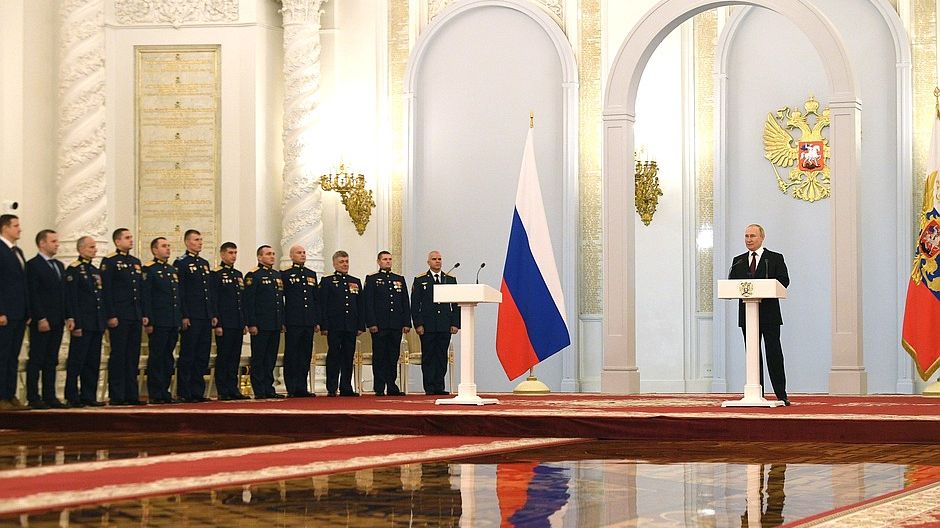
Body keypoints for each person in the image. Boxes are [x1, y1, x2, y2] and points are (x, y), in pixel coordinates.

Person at [728, 223, 791, 406]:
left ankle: (781, 394)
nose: (749, 240)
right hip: (748, 315)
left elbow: (784, 281)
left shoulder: (775, 258)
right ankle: (757, 394)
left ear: (762, 237)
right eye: (746, 236)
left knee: (774, 353)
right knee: (753, 355)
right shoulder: (738, 261)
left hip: (770, 315)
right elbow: (732, 284)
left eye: (753, 236)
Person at [100, 228, 145, 405]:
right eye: (127, 238)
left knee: (132, 356)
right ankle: (117, 395)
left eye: (131, 237)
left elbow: (139, 290)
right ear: (117, 241)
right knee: (119, 355)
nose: (131, 240)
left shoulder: (135, 262)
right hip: (119, 315)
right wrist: (111, 314)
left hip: (134, 315)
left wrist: (142, 313)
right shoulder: (110, 261)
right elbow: (107, 291)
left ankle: (131, 394)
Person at [63, 236, 107, 407]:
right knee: (77, 361)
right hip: (82, 322)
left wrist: (102, 321)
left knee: (92, 361)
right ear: (81, 249)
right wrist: (74, 320)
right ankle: (72, 396)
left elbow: (99, 298)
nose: (94, 250)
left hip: (96, 322)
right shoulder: (74, 270)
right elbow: (71, 298)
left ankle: (89, 395)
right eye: (91, 247)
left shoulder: (95, 270)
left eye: (94, 247)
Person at [25, 229, 66, 409]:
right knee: (37, 358)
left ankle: (50, 396)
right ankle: (33, 396)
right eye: (53, 241)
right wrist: (40, 317)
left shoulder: (59, 265)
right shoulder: (33, 265)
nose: (57, 244)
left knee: (51, 359)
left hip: (57, 319)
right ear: (42, 243)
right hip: (42, 320)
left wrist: (66, 316)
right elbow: (33, 294)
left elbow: (62, 294)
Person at [175, 229, 216, 402]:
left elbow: (208, 292)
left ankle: (197, 391)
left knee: (202, 355)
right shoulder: (181, 263)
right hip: (191, 316)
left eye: (201, 239)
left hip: (205, 316)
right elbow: (181, 292)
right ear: (187, 242)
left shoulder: (204, 263)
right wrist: (184, 315)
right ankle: (184, 392)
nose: (200, 242)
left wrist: (212, 313)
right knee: (188, 355)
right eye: (196, 239)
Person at [410, 250, 459, 396]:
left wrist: (455, 323)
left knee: (441, 356)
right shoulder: (420, 280)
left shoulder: (449, 279)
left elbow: (456, 304)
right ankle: (429, 386)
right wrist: (418, 324)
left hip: (444, 324)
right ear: (428, 262)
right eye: (434, 259)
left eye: (439, 259)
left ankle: (439, 386)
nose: (437, 261)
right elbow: (415, 304)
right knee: (428, 356)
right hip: (427, 326)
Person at [141, 237, 182, 404]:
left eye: (168, 246)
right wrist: (149, 320)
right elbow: (146, 297)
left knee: (168, 358)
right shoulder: (149, 269)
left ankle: (165, 391)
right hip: (158, 321)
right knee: (157, 357)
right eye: (164, 246)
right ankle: (155, 393)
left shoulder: (172, 270)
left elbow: (176, 297)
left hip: (172, 320)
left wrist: (178, 318)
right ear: (154, 250)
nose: (168, 249)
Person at [364, 251, 411, 396]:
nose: (388, 261)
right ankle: (379, 386)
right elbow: (368, 303)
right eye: (385, 259)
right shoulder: (372, 279)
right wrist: (371, 323)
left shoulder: (399, 279)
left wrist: (406, 322)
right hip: (379, 325)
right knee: (379, 356)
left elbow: (405, 302)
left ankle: (392, 385)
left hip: (395, 324)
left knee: (393, 356)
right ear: (379, 262)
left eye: (390, 259)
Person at [319, 250, 365, 397]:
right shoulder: (327, 281)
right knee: (334, 355)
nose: (345, 264)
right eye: (341, 262)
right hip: (334, 325)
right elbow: (323, 305)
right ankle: (332, 387)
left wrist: (360, 325)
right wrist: (324, 325)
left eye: (346, 261)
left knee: (348, 356)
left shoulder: (355, 281)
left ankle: (346, 386)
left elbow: (360, 305)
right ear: (334, 264)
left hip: (350, 325)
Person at [244, 245, 285, 399]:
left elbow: (279, 301)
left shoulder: (276, 275)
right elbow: (250, 301)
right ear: (259, 257)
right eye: (268, 254)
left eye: (273, 254)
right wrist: (251, 323)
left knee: (270, 358)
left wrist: (281, 321)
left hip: (275, 323)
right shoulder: (253, 275)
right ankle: (259, 389)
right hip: (261, 324)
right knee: (259, 358)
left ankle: (269, 388)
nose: (272, 256)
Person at [211, 242, 249, 400]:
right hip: (224, 323)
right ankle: (223, 390)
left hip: (237, 322)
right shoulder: (216, 274)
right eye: (230, 253)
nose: (233, 256)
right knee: (224, 356)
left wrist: (244, 322)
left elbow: (242, 301)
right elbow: (214, 299)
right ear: (222, 254)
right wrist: (218, 323)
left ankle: (233, 388)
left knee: (234, 357)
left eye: (235, 253)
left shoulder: (238, 274)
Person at [281, 244, 318, 397]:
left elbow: (315, 299)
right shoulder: (285, 275)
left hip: (308, 321)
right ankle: (291, 387)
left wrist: (316, 320)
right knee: (292, 354)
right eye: (298, 253)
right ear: (291, 256)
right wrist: (283, 320)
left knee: (305, 355)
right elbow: (281, 299)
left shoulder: (311, 274)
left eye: (304, 252)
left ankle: (302, 386)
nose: (302, 255)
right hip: (293, 320)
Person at [0, 214, 28, 410]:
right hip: (5, 313)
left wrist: (27, 311)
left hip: (19, 312)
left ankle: (10, 394)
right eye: (16, 226)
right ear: (5, 228)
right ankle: (1, 396)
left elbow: (22, 284)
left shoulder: (17, 251)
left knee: (13, 356)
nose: (19, 229)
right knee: (2, 355)